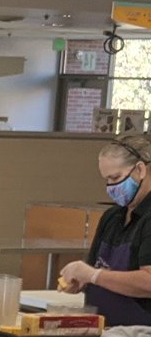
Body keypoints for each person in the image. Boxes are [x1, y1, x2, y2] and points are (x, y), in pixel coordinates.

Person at [59, 135, 151, 325]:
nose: (111, 187)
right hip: (105, 335)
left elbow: (148, 282)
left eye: (115, 177)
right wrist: (81, 280)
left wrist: (94, 275)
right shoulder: (112, 217)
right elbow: (95, 270)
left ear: (140, 169)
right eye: (107, 180)